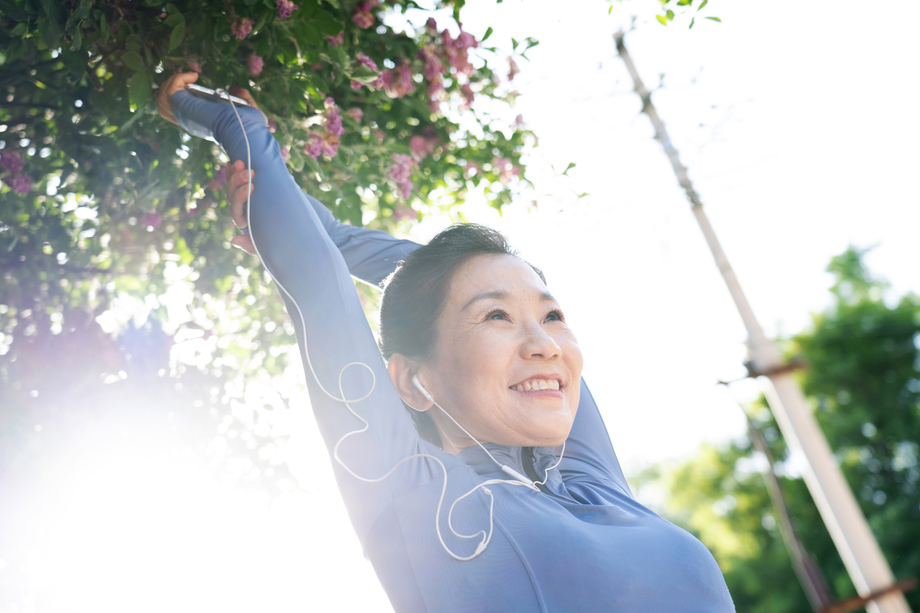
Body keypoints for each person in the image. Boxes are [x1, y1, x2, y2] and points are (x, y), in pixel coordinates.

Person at [157, 72, 735, 612]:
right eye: (496, 319)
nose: (544, 344)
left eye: (552, 314)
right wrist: (239, 130)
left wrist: (326, 230)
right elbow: (321, 284)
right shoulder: (414, 497)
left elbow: (422, 275)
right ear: (411, 380)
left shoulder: (591, 480)